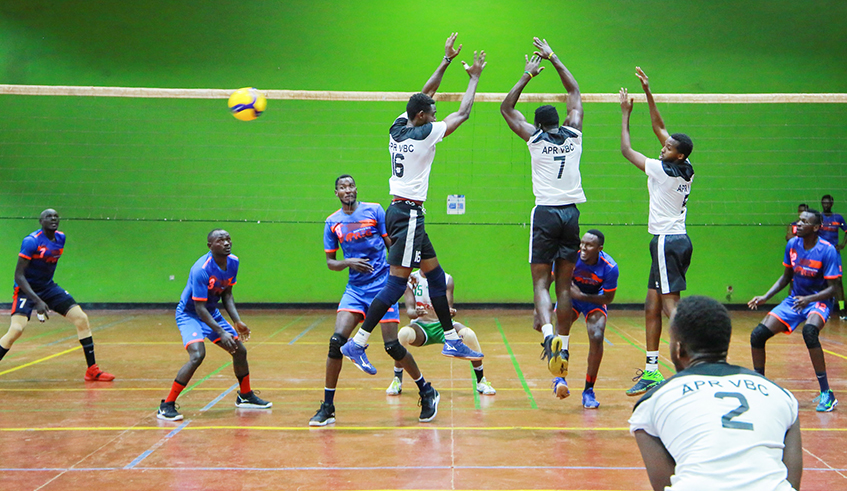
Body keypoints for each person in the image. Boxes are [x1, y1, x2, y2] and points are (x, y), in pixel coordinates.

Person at [340, 33, 485, 398]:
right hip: (408, 214)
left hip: (406, 213)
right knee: (394, 284)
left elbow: (424, 94)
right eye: (431, 112)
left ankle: (451, 338)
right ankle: (358, 341)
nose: (435, 113)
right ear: (422, 117)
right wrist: (473, 78)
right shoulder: (425, 133)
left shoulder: (398, 126)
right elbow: (463, 113)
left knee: (435, 274)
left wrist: (446, 61)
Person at [630, 296, 802, 491]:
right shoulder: (781, 396)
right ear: (725, 345)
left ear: (679, 349)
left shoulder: (651, 402)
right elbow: (792, 485)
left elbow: (665, 484)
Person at [311, 176, 440, 426]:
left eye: (351, 186)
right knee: (336, 342)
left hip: (383, 286)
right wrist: (348, 262)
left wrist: (406, 273)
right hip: (355, 290)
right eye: (342, 187)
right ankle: (327, 407)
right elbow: (330, 262)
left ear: (356, 189)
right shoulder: (332, 222)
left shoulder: (375, 211)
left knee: (392, 346)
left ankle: (426, 390)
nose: (348, 190)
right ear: (336, 192)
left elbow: (392, 243)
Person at [500, 37, 585, 378]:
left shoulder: (534, 139)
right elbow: (575, 92)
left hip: (547, 213)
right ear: (561, 121)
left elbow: (506, 109)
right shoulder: (575, 132)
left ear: (537, 125)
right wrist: (553, 55)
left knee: (540, 282)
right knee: (564, 286)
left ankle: (548, 336)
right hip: (572, 213)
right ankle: (563, 344)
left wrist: (527, 75)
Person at [619, 67, 695, 396]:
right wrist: (648, 91)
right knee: (652, 304)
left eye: (667, 148)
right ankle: (652, 371)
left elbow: (626, 150)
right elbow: (659, 127)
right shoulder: (687, 167)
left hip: (667, 242)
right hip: (673, 241)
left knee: (670, 306)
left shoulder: (662, 170)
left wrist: (625, 115)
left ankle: (692, 365)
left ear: (676, 154)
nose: (663, 147)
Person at [157, 229, 270, 421]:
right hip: (190, 314)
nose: (226, 243)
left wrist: (237, 321)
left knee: (239, 351)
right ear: (210, 246)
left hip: (212, 313)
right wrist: (221, 332)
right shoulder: (201, 269)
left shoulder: (233, 261)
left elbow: (226, 294)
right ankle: (166, 405)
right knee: (197, 355)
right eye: (220, 240)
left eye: (228, 239)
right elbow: (199, 308)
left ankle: (245, 396)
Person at [0, 209, 114, 382]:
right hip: (26, 289)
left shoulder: (61, 238)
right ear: (41, 221)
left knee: (81, 318)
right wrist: (37, 301)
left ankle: (92, 370)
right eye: (48, 217)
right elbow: (19, 276)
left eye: (56, 217)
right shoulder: (31, 242)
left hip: (48, 288)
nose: (53, 219)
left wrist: (45, 296)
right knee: (16, 329)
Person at [748, 209, 840, 412]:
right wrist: (766, 297)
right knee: (758, 335)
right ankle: (759, 386)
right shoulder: (792, 245)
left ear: (816, 228)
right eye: (799, 220)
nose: (798, 224)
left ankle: (826, 393)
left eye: (803, 222)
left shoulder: (828, 250)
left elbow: (834, 288)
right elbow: (785, 277)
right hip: (794, 300)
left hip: (818, 300)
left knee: (809, 332)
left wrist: (809, 299)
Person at [385, 269, 496, 397]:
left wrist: (450, 311)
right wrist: (416, 312)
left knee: (469, 335)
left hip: (444, 326)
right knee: (403, 334)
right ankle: (397, 380)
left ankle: (481, 381)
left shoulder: (446, 279)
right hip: (421, 327)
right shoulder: (411, 279)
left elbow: (448, 306)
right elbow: (409, 310)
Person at [551, 230, 618, 409]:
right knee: (561, 327)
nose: (582, 248)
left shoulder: (609, 268)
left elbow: (608, 299)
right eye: (582, 243)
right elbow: (553, 277)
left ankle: (588, 391)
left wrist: (582, 296)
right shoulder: (571, 257)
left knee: (597, 336)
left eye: (588, 245)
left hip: (593, 300)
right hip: (570, 298)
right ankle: (559, 378)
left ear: (599, 248)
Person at [820, 194, 846, 319]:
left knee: (838, 281)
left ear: (831, 203)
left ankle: (842, 309)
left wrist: (842, 245)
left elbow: (846, 231)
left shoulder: (838, 218)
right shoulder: (819, 218)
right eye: (823, 203)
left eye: (828, 203)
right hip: (821, 253)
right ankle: (825, 309)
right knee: (823, 281)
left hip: (834, 253)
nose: (826, 205)